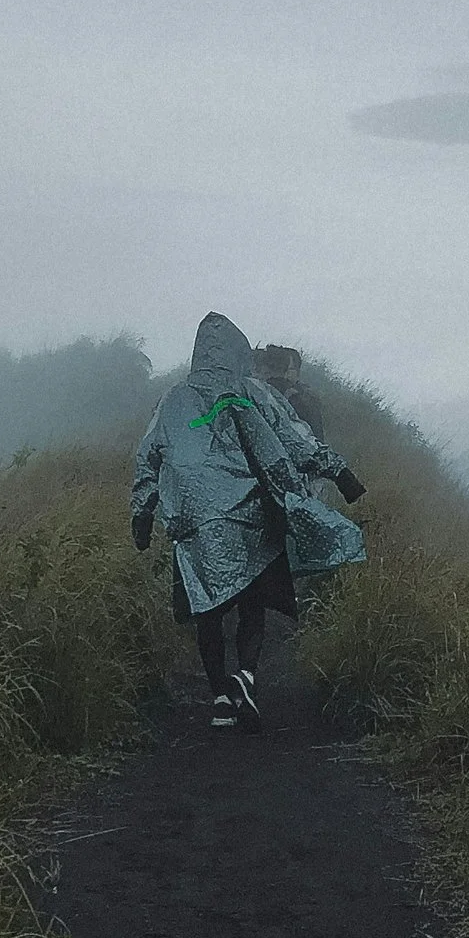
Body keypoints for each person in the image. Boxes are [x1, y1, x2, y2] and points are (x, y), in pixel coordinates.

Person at [131, 313, 365, 731]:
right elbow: (295, 439)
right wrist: (340, 473)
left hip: (196, 521)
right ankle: (247, 676)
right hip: (253, 515)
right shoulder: (253, 392)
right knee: (252, 604)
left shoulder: (173, 400)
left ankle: (220, 695)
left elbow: (149, 454)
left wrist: (143, 510)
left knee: (208, 607)